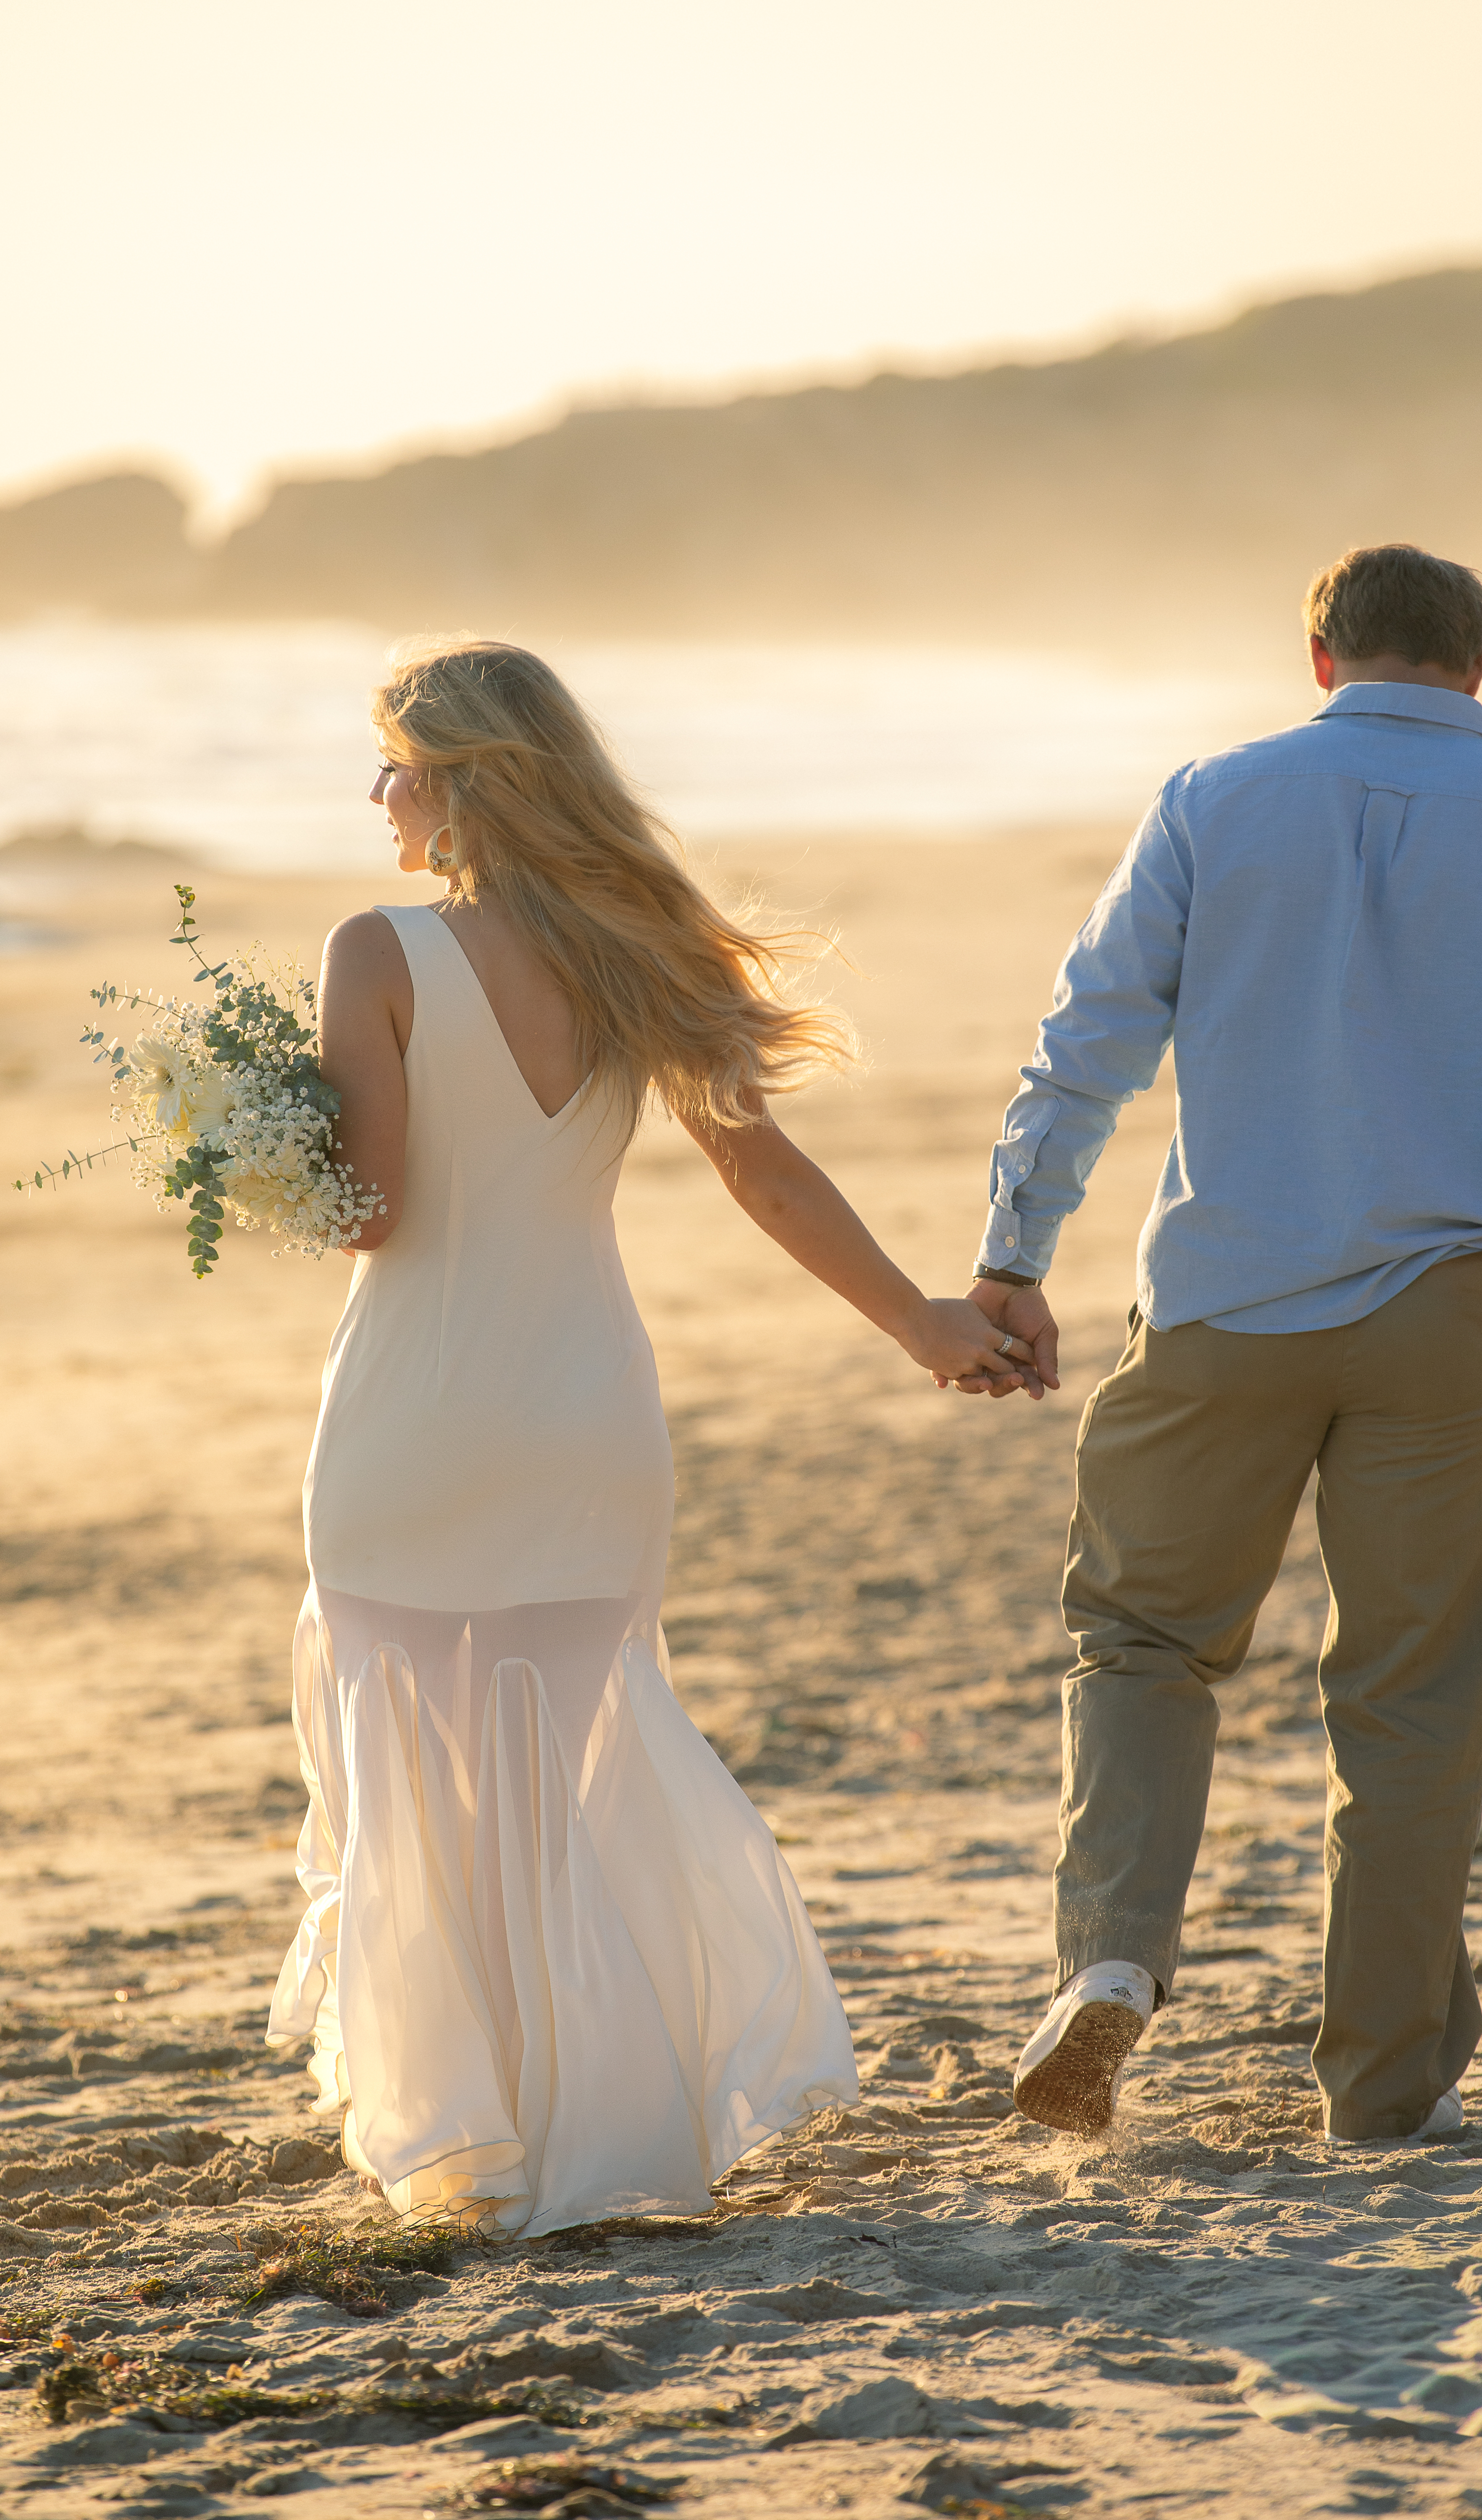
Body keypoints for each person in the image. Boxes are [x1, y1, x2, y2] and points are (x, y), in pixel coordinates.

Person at [265, 637, 1033, 2235]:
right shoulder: (631, 947)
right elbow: (765, 1177)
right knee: (572, 1757)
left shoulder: (377, 949)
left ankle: (479, 2149)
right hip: (583, 1413)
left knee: (419, 1771)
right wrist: (924, 1326)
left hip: (416, 1419)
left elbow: (375, 1214)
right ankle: (616, 2131)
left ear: (466, 779)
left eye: (395, 761)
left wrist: (262, 1153)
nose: (378, 790)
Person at [962, 546, 1482, 2148]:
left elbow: (1084, 1046)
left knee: (1143, 1642)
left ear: (1319, 653)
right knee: (1416, 1702)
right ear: (1479, 670)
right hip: (1456, 1311)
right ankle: (1381, 2087)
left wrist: (1015, 1253)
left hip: (1222, 1296)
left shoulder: (1215, 799)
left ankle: (1117, 1965)